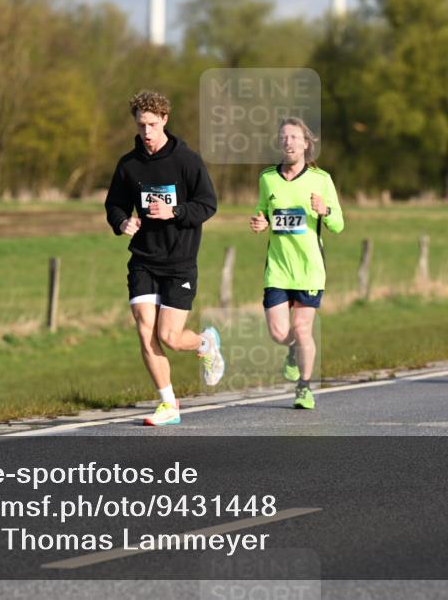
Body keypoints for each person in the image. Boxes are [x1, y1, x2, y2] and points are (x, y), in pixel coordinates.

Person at [104, 90, 224, 426]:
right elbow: (114, 204)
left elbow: (208, 204)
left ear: (165, 120)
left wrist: (176, 211)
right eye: (141, 125)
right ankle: (169, 404)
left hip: (179, 261)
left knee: (170, 337)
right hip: (143, 258)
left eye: (153, 125)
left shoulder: (187, 160)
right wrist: (122, 221)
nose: (147, 132)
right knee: (145, 330)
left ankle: (205, 343)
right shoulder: (129, 165)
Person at [249, 118, 344, 409]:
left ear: (305, 144)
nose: (288, 142)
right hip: (277, 269)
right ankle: (292, 349)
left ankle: (303, 387)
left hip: (309, 270)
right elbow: (262, 211)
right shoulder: (267, 178)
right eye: (284, 137)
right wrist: (260, 222)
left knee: (303, 329)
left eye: (294, 137)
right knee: (279, 333)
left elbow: (338, 225)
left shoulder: (321, 179)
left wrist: (324, 210)